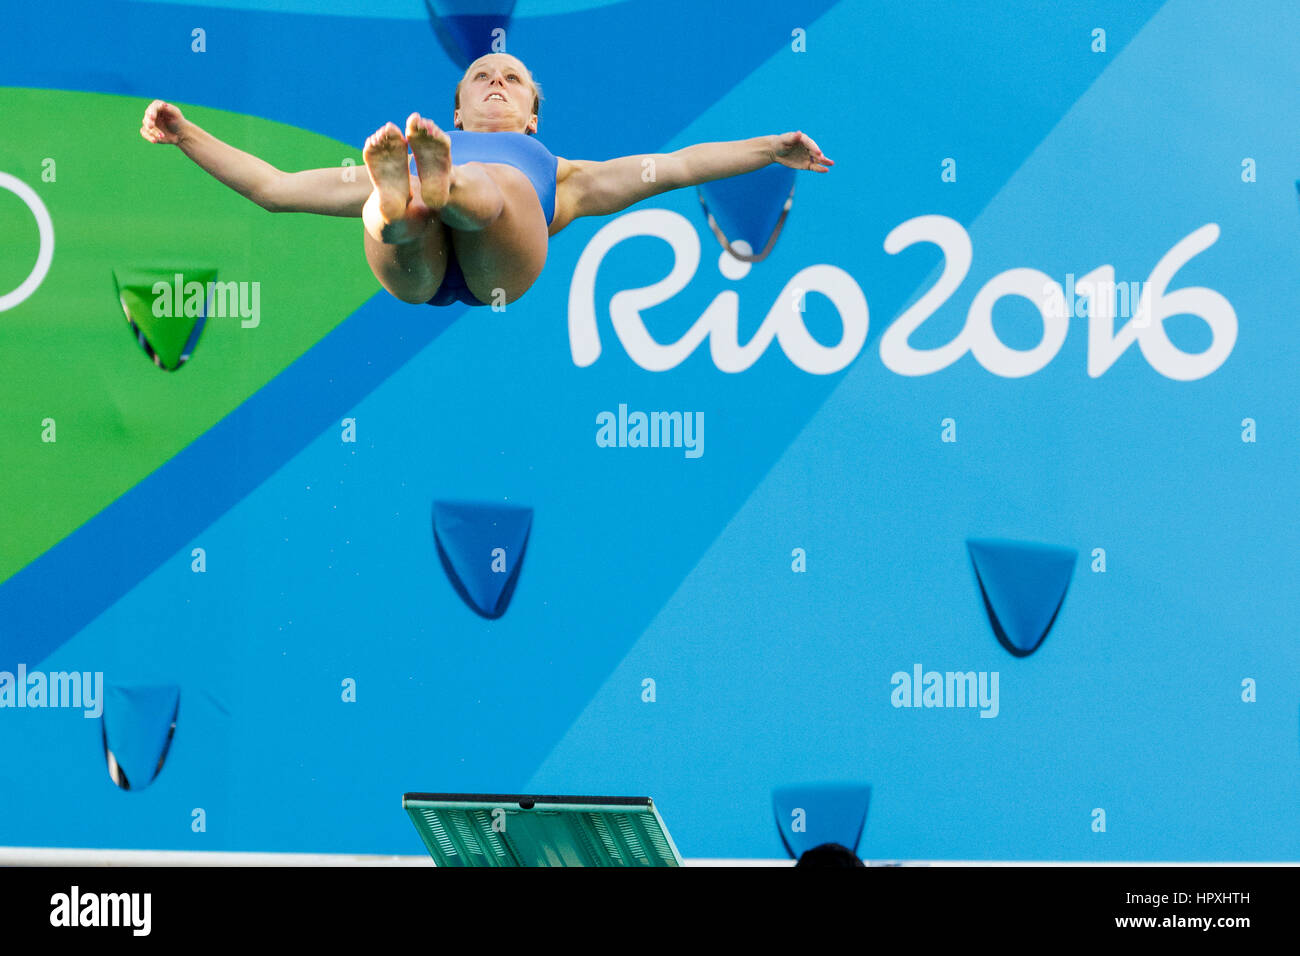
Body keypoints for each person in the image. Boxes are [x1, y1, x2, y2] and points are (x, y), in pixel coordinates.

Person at [140, 53, 833, 309]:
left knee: (464, 188)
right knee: (391, 218)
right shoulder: (415, 148)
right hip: (420, 261)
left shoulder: (566, 176)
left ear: (533, 114)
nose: (496, 84)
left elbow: (679, 167)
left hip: (502, 252)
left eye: (512, 81)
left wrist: (769, 148)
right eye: (481, 78)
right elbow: (275, 188)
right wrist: (185, 135)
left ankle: (427, 199)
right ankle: (403, 208)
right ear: (457, 109)